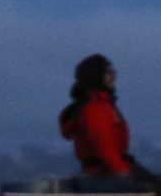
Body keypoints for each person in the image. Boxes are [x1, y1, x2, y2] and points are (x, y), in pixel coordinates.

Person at [58, 54, 136, 188]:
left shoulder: (100, 105)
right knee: (152, 191)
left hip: (99, 176)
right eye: (109, 72)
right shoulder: (97, 108)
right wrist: (124, 173)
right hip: (104, 177)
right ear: (97, 76)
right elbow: (104, 145)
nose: (114, 76)